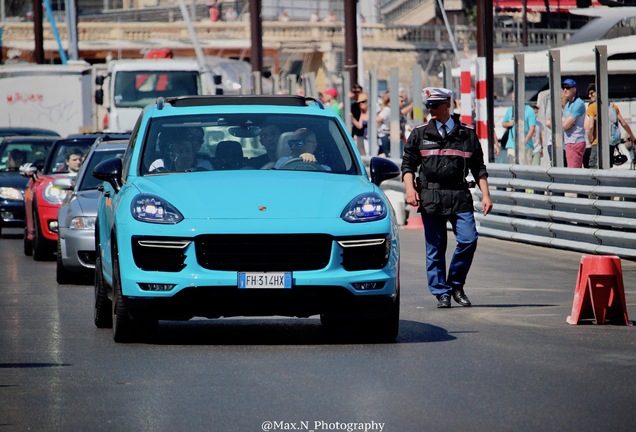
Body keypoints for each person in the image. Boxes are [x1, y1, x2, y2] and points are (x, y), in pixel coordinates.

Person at [401, 87, 493, 309]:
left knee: (469, 239)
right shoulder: (420, 133)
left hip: (459, 195)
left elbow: (478, 167)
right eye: (428, 106)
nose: (430, 109)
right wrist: (409, 188)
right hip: (431, 196)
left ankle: (456, 285)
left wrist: (486, 194)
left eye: (435, 105)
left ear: (447, 105)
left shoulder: (466, 134)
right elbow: (408, 164)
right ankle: (441, 292)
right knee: (435, 247)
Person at [584, 83, 635, 169]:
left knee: (593, 166)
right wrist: (632, 136)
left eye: (591, 93)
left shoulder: (592, 107)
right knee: (606, 167)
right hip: (611, 143)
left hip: (597, 143)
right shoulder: (613, 106)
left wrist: (590, 139)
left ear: (598, 92)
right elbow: (623, 123)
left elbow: (591, 126)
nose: (589, 96)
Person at [501, 93, 536, 165]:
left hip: (526, 146)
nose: (513, 100)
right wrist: (509, 123)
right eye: (512, 98)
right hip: (511, 144)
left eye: (514, 97)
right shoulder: (510, 110)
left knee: (526, 168)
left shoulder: (530, 110)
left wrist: (525, 141)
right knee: (512, 167)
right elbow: (503, 124)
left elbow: (532, 128)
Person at [561, 78, 587, 168]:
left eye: (568, 87)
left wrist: (567, 123)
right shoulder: (568, 105)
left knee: (573, 171)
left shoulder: (578, 103)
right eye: (563, 87)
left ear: (574, 89)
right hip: (569, 142)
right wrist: (567, 123)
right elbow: (564, 123)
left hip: (575, 142)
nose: (565, 90)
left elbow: (565, 125)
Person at [377, 91, 391, 157]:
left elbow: (378, 119)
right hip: (383, 134)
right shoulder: (387, 109)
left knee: (385, 154)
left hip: (384, 134)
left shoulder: (387, 109)